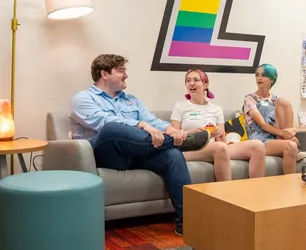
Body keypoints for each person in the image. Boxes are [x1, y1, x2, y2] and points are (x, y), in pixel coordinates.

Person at [70, 54, 210, 236]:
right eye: (121, 70)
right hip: (106, 154)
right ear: (104, 74)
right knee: (112, 128)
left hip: (137, 152)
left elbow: (150, 119)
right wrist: (140, 125)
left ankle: (187, 222)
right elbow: (102, 121)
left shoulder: (131, 100)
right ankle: (180, 142)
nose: (126, 75)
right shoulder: (83, 98)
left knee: (173, 155)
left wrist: (171, 129)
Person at [170, 69, 266, 181]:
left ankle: (256, 193)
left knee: (258, 146)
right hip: (189, 149)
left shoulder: (216, 109)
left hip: (216, 147)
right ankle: (225, 196)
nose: (191, 83)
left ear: (205, 85)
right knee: (219, 148)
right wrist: (191, 133)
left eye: (196, 80)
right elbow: (173, 137)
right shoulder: (180, 106)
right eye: (188, 81)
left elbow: (221, 142)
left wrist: (219, 134)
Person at [243, 64, 306, 175]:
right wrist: (286, 134)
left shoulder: (276, 100)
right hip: (259, 139)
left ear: (272, 79)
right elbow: (262, 124)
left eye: (263, 75)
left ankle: (288, 143)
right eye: (257, 75)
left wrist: (292, 132)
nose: (259, 78)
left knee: (283, 102)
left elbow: (293, 125)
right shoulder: (250, 98)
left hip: (277, 137)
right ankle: (289, 184)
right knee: (291, 145)